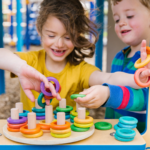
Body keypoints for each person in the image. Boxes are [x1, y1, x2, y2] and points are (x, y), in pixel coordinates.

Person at [0, 0, 149, 115]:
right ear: (40, 31)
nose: (59, 44)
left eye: (67, 37)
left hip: (68, 140)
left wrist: (136, 78)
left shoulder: (81, 70)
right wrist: (19, 67)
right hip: (31, 136)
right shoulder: (31, 61)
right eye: (51, 35)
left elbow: (110, 78)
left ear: (77, 35)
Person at [76, 0, 150, 133]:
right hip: (115, 133)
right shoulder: (118, 57)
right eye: (116, 19)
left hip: (138, 138)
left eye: (129, 16)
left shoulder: (148, 60)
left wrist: (109, 94)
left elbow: (145, 100)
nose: (121, 22)